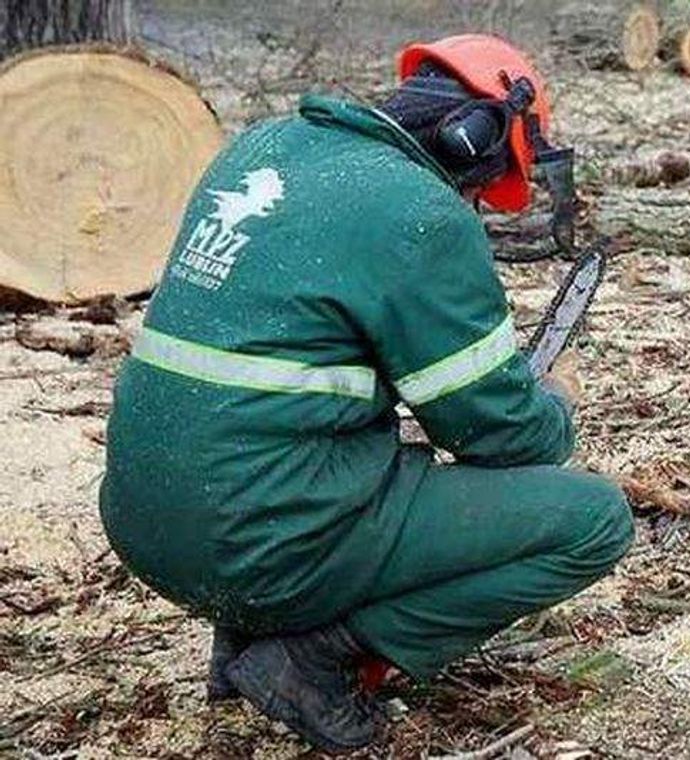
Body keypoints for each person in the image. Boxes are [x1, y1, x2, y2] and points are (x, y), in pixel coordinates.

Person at [99, 34, 634, 753]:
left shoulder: (262, 148)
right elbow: (502, 434)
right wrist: (556, 402)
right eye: (482, 185)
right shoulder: (418, 213)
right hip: (258, 538)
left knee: (296, 434)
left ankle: (246, 640)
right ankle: (313, 659)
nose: (474, 204)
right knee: (594, 521)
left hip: (143, 520)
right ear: (471, 135)